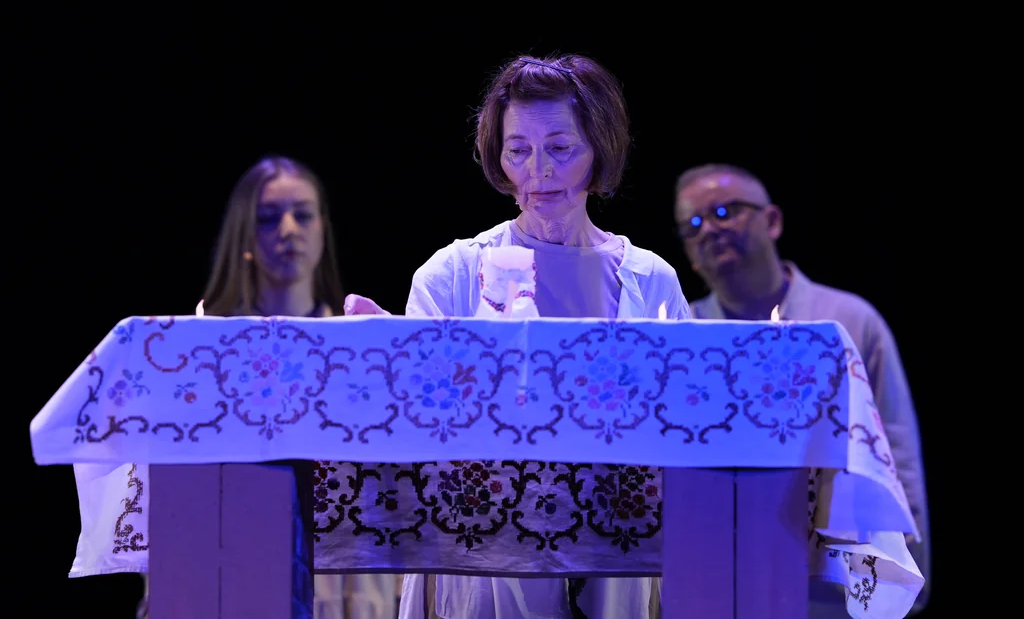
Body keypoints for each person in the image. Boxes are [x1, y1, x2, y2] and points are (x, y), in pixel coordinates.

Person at [347, 54, 690, 619]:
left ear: (599, 149)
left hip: (616, 557)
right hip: (483, 558)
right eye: (518, 150)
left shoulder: (650, 280)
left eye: (560, 147)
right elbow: (416, 438)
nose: (539, 170)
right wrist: (393, 363)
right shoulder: (452, 274)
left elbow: (683, 425)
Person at [68, 155, 400, 619]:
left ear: (323, 230)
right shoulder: (195, 346)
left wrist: (387, 354)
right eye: (268, 217)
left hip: (334, 574)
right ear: (244, 235)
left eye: (303, 215)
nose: (288, 229)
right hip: (224, 569)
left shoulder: (353, 343)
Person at [673, 162, 930, 617]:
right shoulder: (683, 335)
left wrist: (903, 575)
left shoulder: (846, 321)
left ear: (772, 220)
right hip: (717, 580)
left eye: (725, 212)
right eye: (693, 225)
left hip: (829, 587)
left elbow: (895, 449)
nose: (709, 229)